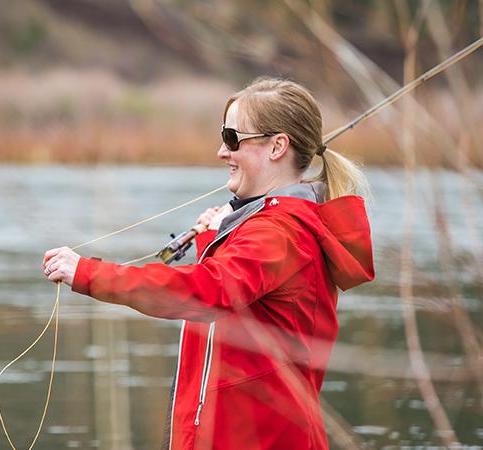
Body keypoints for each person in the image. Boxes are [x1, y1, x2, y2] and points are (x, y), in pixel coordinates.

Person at [42, 77, 375, 450]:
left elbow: (205, 291)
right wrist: (217, 237)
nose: (221, 152)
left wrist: (87, 273)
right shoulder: (265, 229)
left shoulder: (279, 234)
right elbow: (233, 301)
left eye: (233, 138)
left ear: (277, 146)